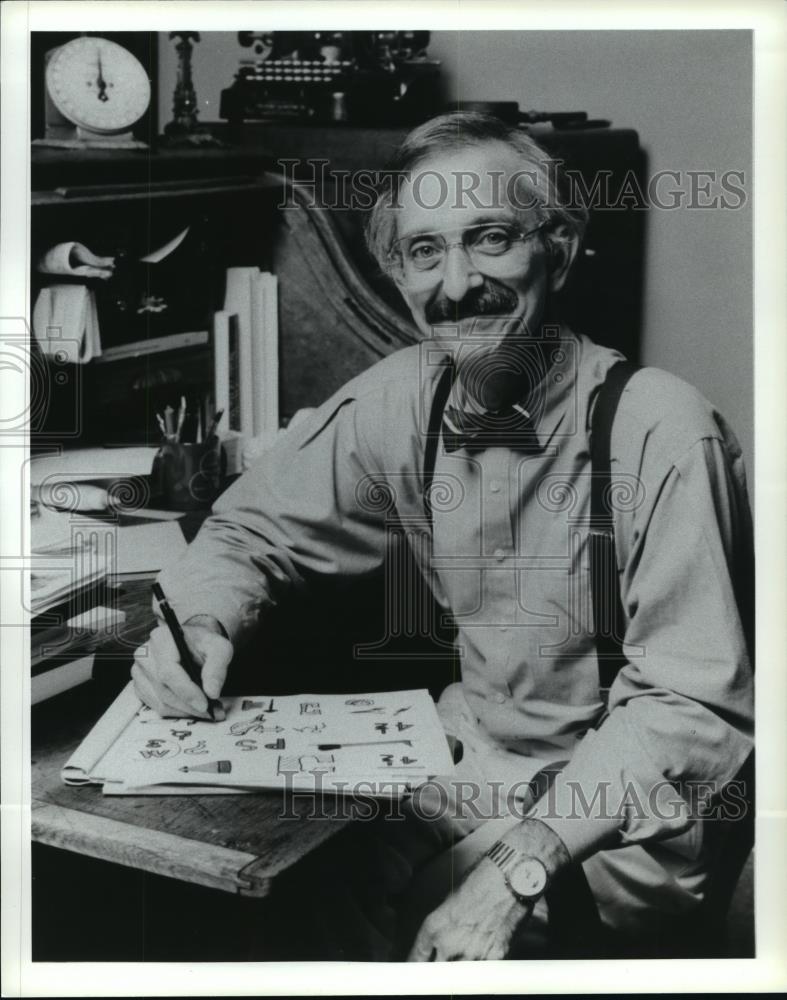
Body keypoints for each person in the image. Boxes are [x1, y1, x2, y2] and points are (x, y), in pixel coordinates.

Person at [132, 112, 754, 961]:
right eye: (425, 251)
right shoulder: (407, 396)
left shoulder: (661, 430)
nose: (456, 283)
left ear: (560, 248)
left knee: (427, 927)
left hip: (625, 810)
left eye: (489, 238)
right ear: (397, 273)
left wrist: (511, 872)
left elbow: (684, 713)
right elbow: (246, 528)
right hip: (467, 756)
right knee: (284, 886)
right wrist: (203, 620)